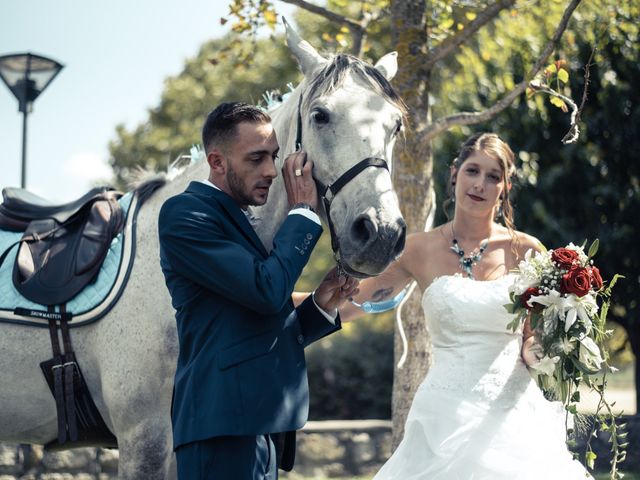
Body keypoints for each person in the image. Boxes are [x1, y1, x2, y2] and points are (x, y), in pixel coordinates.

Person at [341, 132, 592, 479]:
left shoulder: (527, 251)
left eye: (493, 177)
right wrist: (278, 303)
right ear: (455, 173)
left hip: (512, 413)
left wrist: (544, 351)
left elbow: (531, 337)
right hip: (443, 413)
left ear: (504, 187)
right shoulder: (418, 249)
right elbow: (349, 303)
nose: (480, 184)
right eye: (473, 171)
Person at [158, 102, 358, 479]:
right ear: (217, 162)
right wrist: (302, 213)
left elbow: (250, 325)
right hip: (219, 429)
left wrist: (319, 306)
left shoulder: (240, 221)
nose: (271, 171)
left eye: (274, 156)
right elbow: (267, 291)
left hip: (258, 427)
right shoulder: (185, 214)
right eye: (256, 159)